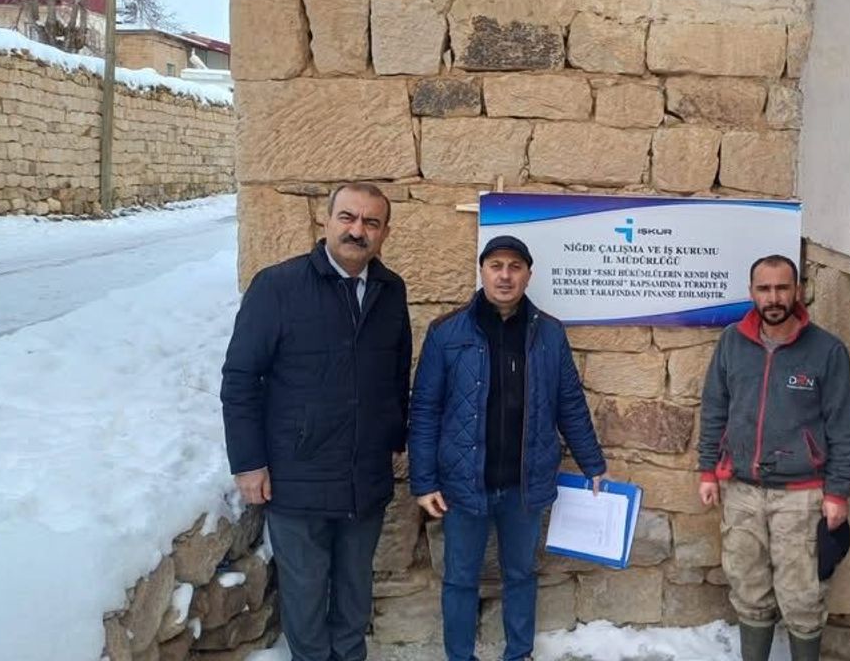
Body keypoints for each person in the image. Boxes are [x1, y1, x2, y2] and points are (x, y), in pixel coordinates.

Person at [221, 182, 412, 661]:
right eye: (347, 217)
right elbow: (241, 378)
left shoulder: (390, 290)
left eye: (371, 222)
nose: (357, 230)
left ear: (385, 233)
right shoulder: (277, 287)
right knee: (305, 596)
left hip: (365, 476)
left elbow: (396, 370)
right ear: (325, 221)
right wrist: (248, 463)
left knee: (354, 592)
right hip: (298, 474)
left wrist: (394, 435)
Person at [409, 235, 606, 661]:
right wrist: (424, 481)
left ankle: (519, 653)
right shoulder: (446, 332)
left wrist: (592, 462)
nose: (505, 275)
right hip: (463, 484)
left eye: (515, 267)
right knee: (460, 578)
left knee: (520, 574)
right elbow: (424, 409)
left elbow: (569, 403)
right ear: (482, 271)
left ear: (528, 275)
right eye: (496, 265)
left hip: (524, 484)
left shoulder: (548, 333)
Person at [697, 254, 850, 661]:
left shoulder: (827, 350)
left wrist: (837, 492)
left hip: (801, 495)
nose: (773, 298)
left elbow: (844, 426)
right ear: (752, 292)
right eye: (764, 289)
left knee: (802, 596)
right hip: (741, 490)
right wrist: (707, 471)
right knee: (747, 588)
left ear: (797, 291)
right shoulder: (732, 342)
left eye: (782, 288)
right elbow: (715, 408)